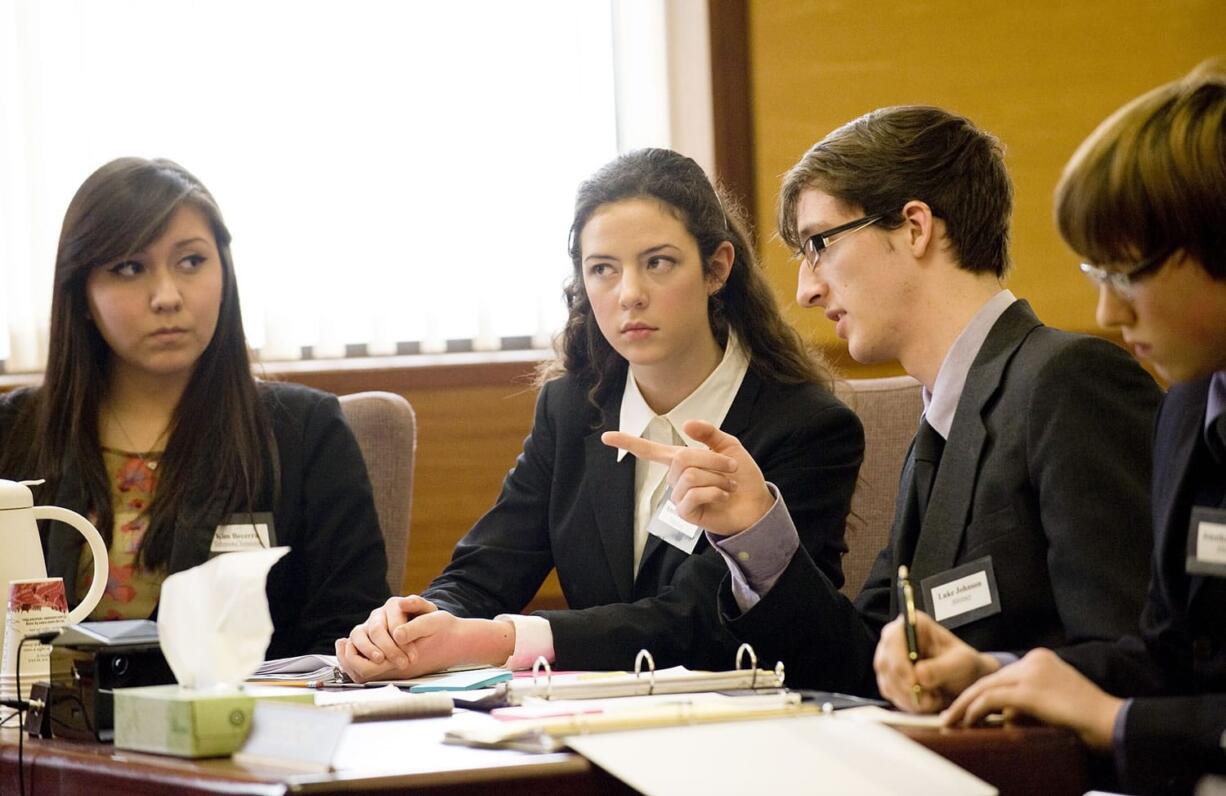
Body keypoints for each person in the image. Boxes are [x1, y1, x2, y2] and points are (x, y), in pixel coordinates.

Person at [609, 107, 1162, 695]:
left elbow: (1142, 660)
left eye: (819, 244)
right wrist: (755, 528)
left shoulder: (1068, 380)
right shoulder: (941, 421)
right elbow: (861, 661)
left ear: (915, 228)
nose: (805, 288)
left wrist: (992, 676)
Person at [336, 148, 863, 681]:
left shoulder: (807, 426)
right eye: (603, 270)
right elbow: (488, 570)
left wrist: (497, 639)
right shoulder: (572, 409)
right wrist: (413, 624)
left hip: (751, 719)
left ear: (716, 269)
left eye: (658, 263)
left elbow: (699, 620)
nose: (630, 295)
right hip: (594, 722)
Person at [874, 60, 1226, 795]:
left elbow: (1142, 700)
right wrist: (1001, 671)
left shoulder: (1073, 382)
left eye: (1128, 271)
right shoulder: (1190, 410)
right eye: (1099, 275)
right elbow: (1166, 658)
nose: (1107, 313)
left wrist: (1116, 722)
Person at [0, 157, 390, 658]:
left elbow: (351, 634)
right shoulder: (13, 434)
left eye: (191, 262)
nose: (167, 296)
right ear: (82, 293)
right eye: (129, 268)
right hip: (42, 732)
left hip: (243, 729)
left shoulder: (305, 433)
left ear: (223, 271)